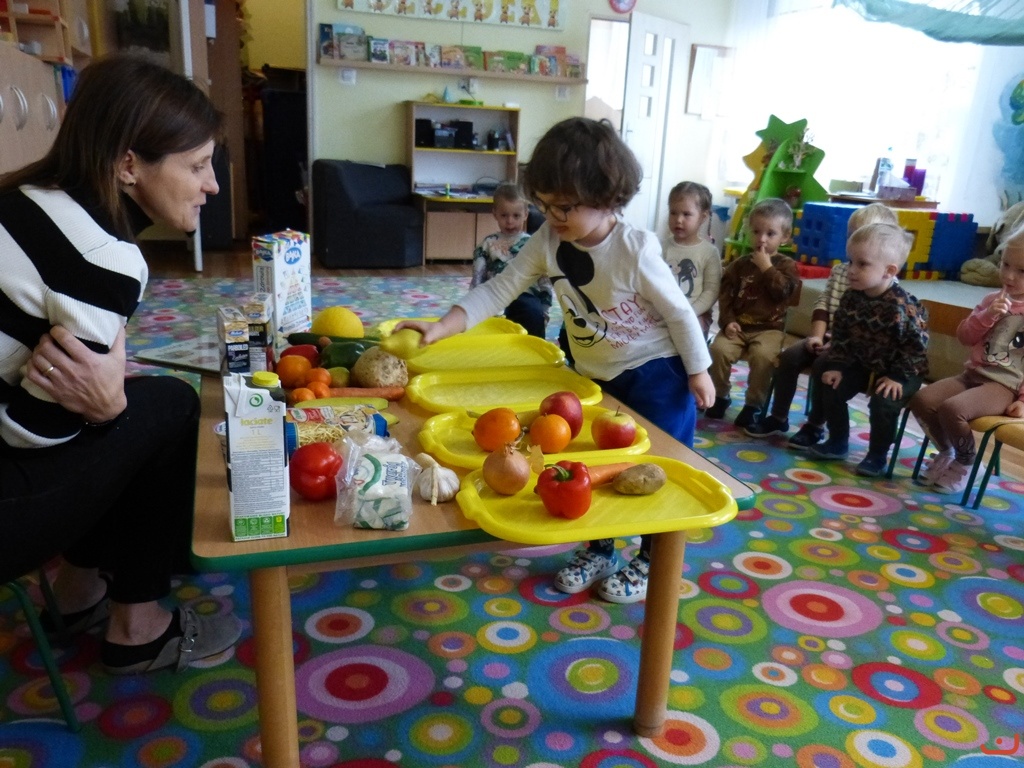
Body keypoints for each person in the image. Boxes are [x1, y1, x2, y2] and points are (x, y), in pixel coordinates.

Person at [397, 117, 714, 604]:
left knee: (657, 467)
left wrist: (698, 370)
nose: (553, 216)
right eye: (545, 205)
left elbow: (679, 312)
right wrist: (444, 325)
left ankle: (655, 558)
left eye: (565, 206)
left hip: (658, 373)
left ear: (607, 196)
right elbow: (500, 288)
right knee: (594, 466)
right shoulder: (548, 240)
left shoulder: (635, 249)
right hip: (597, 376)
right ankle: (601, 547)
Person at [0, 55, 242, 674]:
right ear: (128, 164)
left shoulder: (22, 198)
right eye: (197, 165)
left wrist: (109, 400)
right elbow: (34, 432)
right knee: (171, 408)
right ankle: (139, 629)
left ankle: (78, 592)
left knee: (144, 403)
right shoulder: (102, 256)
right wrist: (106, 413)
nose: (212, 185)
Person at [746, 202, 899, 441]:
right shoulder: (840, 272)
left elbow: (873, 333)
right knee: (789, 358)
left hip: (855, 351)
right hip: (827, 338)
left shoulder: (886, 287)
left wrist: (837, 345)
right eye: (852, 236)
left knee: (822, 365)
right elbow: (824, 304)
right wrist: (816, 336)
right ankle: (778, 416)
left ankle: (815, 424)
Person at [804, 222, 929, 476]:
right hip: (863, 362)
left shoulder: (901, 306)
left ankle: (877, 455)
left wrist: (898, 377)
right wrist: (837, 365)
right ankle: (838, 441)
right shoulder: (851, 297)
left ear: (889, 271)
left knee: (884, 402)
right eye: (851, 261)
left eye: (862, 264)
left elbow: (916, 348)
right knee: (831, 384)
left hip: (903, 369)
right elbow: (841, 335)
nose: (851, 270)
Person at [909, 226, 1024, 493]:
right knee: (922, 400)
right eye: (1005, 264)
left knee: (953, 409)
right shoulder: (992, 299)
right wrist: (987, 316)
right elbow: (965, 336)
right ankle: (949, 451)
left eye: (1022, 271)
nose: (1008, 275)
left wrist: (1022, 400)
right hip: (972, 375)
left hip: (1004, 385)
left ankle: (968, 462)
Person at [706, 198, 800, 428]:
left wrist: (767, 268)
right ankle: (720, 395)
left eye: (770, 233)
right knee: (718, 350)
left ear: (785, 237)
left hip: (769, 329)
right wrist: (727, 321)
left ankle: (753, 405)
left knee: (763, 357)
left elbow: (784, 293)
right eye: (756, 232)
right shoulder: (739, 265)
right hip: (738, 326)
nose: (762, 239)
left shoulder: (786, 266)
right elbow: (725, 296)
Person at [471, 182, 553, 338]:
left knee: (533, 314)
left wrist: (545, 308)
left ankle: (532, 348)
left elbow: (545, 279)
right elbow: (477, 278)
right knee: (490, 326)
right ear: (495, 214)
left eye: (516, 216)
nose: (510, 221)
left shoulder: (533, 244)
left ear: (526, 214)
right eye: (504, 215)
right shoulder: (487, 244)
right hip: (494, 294)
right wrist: (475, 306)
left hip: (525, 294)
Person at [662, 181, 722, 339]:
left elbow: (711, 291)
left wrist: (690, 312)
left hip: (696, 312)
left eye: (686, 214)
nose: (678, 219)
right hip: (664, 310)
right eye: (673, 213)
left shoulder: (709, 252)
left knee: (691, 337)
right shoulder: (661, 247)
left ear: (702, 217)